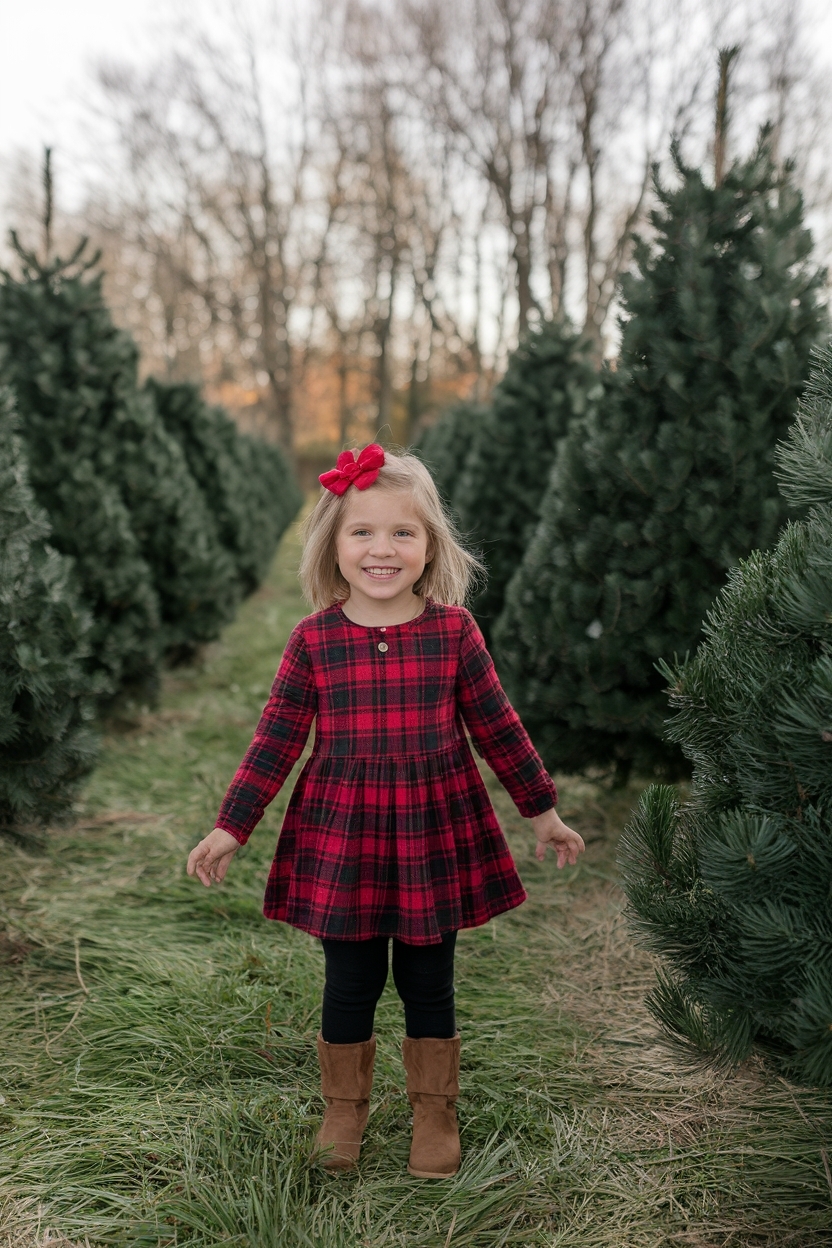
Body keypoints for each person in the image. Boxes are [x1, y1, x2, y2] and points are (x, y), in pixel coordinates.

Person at [187, 444, 584, 1178]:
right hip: (347, 839)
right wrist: (230, 827)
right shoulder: (314, 641)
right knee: (351, 979)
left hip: (432, 832)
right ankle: (346, 1110)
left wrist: (543, 812)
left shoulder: (453, 633)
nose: (382, 549)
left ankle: (434, 1110)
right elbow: (275, 740)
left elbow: (497, 726)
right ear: (333, 546)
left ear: (430, 545)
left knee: (430, 979)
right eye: (362, 532)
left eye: (402, 532)